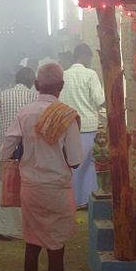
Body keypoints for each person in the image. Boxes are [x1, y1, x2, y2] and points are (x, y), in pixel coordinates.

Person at [0, 63, 82, 271]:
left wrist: (24, 152)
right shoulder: (66, 115)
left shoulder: (25, 114)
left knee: (32, 245)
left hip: (32, 188)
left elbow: (5, 149)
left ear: (36, 86)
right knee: (56, 250)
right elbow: (76, 160)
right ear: (61, 87)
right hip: (57, 189)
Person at [0, 66, 36, 239]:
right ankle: (21, 229)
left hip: (4, 151)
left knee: (1, 186)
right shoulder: (34, 97)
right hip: (27, 151)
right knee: (23, 188)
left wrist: (1, 137)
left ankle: (1, 228)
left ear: (16, 80)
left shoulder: (3, 95)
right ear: (32, 82)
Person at [59, 43, 105, 208]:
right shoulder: (90, 74)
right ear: (86, 56)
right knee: (89, 165)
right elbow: (99, 100)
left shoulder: (63, 75)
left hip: (68, 127)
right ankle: (87, 199)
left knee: (72, 165)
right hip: (88, 126)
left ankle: (73, 200)